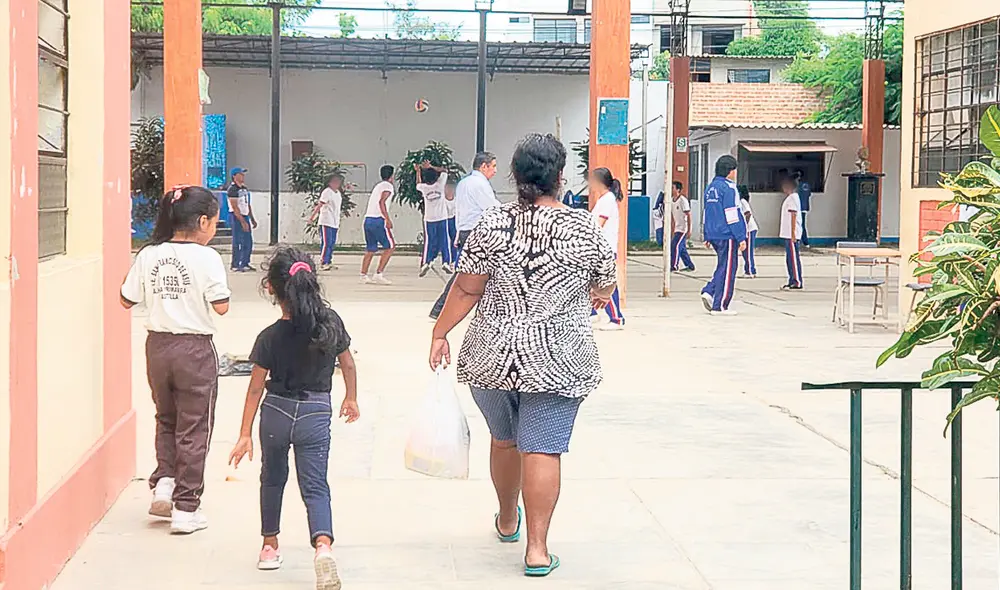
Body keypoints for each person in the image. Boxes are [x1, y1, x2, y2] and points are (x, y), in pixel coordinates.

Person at [429, 133, 616, 578]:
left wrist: (439, 333)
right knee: (543, 450)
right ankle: (536, 549)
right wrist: (588, 296)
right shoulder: (584, 226)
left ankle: (507, 519)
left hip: (491, 355)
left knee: (505, 438)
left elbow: (467, 288)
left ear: (514, 176)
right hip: (560, 357)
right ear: (560, 176)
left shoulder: (492, 224)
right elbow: (605, 286)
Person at [228, 246, 359, 589]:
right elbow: (347, 364)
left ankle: (269, 546)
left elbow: (255, 389)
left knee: (272, 478)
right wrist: (352, 398)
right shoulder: (330, 324)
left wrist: (244, 434)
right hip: (315, 413)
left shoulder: (269, 337)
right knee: (315, 485)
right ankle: (323, 548)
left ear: (271, 289)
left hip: (276, 414)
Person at [120, 185, 231, 535]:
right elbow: (221, 306)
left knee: (166, 417)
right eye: (214, 222)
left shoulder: (150, 254)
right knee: (194, 426)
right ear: (202, 222)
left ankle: (165, 481)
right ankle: (186, 506)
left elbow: (126, 300)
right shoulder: (207, 258)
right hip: (194, 349)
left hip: (158, 347)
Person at [429, 151, 499, 320]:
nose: (495, 171)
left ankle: (440, 308)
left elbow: (460, 211)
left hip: (466, 232)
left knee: (470, 272)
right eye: (493, 166)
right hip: (478, 234)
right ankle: (441, 308)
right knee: (473, 272)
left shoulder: (464, 183)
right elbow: (492, 208)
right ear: (484, 166)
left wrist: (458, 233)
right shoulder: (479, 184)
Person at [700, 155, 747, 316]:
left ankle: (710, 291)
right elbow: (732, 214)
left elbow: (707, 212)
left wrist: (706, 234)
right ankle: (720, 305)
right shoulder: (730, 188)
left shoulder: (711, 187)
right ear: (730, 171)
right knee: (729, 269)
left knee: (722, 266)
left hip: (713, 233)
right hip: (727, 234)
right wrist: (741, 236)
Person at [589, 167, 626, 330]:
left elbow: (598, 226)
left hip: (605, 249)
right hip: (600, 248)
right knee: (589, 282)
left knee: (606, 284)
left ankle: (616, 318)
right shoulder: (604, 199)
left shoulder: (607, 200)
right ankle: (591, 313)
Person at [360, 165, 396, 285]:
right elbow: (382, 202)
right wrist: (387, 219)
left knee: (371, 249)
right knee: (390, 246)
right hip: (378, 220)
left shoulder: (378, 186)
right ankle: (378, 273)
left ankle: (363, 274)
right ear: (392, 175)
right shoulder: (388, 186)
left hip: (368, 219)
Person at [416, 161, 453, 277]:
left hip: (429, 219)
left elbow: (418, 184)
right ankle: (446, 262)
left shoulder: (424, 188)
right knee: (444, 240)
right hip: (441, 217)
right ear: (436, 178)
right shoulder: (440, 185)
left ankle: (426, 262)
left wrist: (418, 171)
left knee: (429, 241)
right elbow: (445, 170)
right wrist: (431, 166)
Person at [310, 173, 344, 271]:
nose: (337, 183)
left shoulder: (338, 193)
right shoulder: (327, 192)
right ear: (329, 183)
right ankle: (323, 261)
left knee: (332, 243)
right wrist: (312, 217)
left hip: (335, 221)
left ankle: (329, 261)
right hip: (326, 221)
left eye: (338, 182)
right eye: (334, 181)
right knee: (326, 242)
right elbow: (320, 204)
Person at [227, 167, 257, 272]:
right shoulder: (232, 190)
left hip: (245, 215)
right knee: (238, 241)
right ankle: (236, 264)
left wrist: (251, 218)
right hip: (237, 217)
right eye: (240, 174)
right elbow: (235, 208)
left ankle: (245, 262)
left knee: (248, 241)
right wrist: (242, 221)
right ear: (234, 176)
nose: (243, 176)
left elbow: (247, 204)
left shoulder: (244, 189)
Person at [780, 176, 804, 290]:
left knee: (793, 258)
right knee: (789, 258)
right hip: (787, 233)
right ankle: (791, 279)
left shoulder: (793, 198)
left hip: (791, 234)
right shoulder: (790, 198)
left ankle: (796, 280)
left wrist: (793, 233)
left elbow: (793, 215)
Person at [669, 181, 696, 273]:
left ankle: (674, 266)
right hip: (677, 228)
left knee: (675, 246)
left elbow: (688, 215)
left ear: (678, 190)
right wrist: (672, 229)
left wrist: (689, 229)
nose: (671, 190)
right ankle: (690, 265)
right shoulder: (671, 200)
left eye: (673, 188)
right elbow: (673, 217)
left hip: (683, 228)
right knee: (682, 249)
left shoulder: (683, 200)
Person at [738, 185, 758, 278]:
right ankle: (749, 269)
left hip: (749, 229)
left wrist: (744, 226)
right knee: (745, 251)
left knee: (748, 251)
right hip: (746, 229)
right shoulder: (739, 202)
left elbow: (748, 214)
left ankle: (750, 271)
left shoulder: (742, 201)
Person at [445, 177, 459, 264]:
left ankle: (454, 259)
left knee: (454, 240)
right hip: (445, 220)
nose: (450, 190)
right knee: (445, 241)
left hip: (453, 219)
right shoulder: (442, 199)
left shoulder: (457, 199)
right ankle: (446, 259)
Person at [796, 171, 811, 247]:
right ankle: (805, 242)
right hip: (804, 207)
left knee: (798, 225)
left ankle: (802, 241)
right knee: (802, 224)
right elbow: (809, 194)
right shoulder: (807, 185)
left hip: (798, 207)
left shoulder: (797, 185)